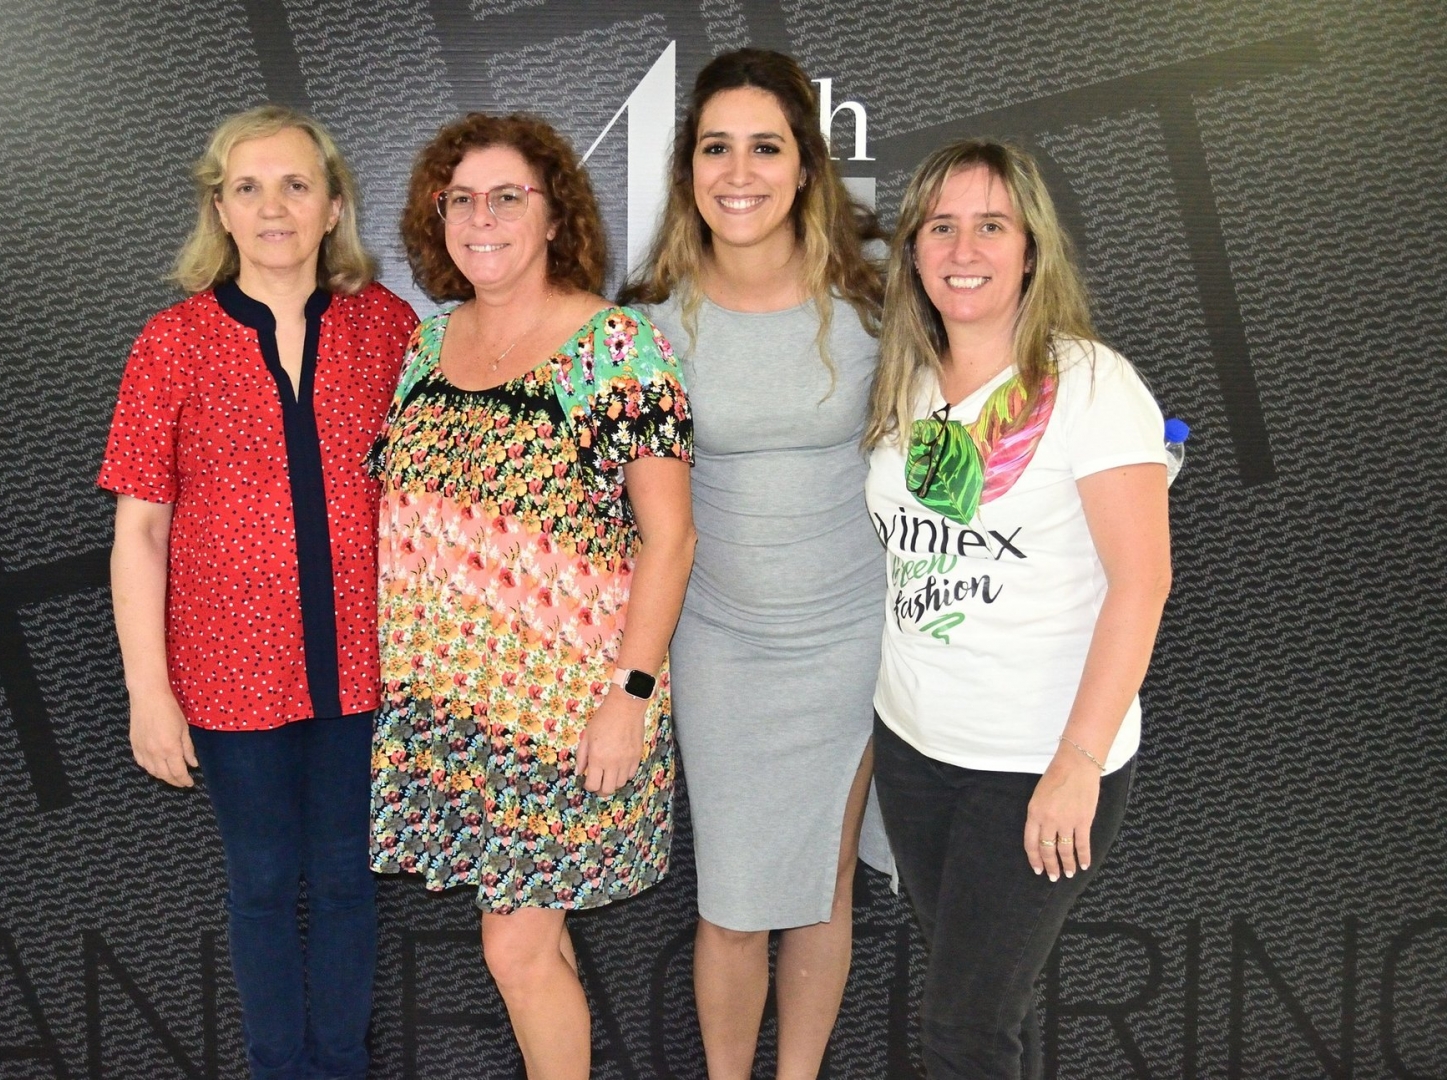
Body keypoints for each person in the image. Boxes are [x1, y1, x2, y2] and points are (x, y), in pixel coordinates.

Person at [368, 112, 695, 1080]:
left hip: (568, 710)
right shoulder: (428, 345)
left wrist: (629, 696)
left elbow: (671, 538)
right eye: (461, 199)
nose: (482, 218)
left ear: (555, 217)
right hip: (454, 707)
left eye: (508, 197)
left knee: (514, 948)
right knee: (530, 946)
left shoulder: (619, 348)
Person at [99, 105, 416, 1080]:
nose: (273, 207)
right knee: (265, 885)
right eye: (248, 187)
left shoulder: (387, 328)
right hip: (229, 675)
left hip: (362, 672)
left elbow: (428, 500)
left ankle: (341, 1067)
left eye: (295, 185)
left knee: (350, 883)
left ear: (332, 208)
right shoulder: (173, 342)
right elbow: (140, 530)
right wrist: (149, 692)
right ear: (220, 210)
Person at [864, 138, 1172, 1078]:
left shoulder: (1090, 383)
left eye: (990, 226)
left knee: (963, 1030)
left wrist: (1077, 762)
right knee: (981, 1006)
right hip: (914, 752)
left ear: (1030, 249)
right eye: (940, 227)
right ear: (912, 250)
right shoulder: (907, 381)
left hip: (1035, 761)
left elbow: (1141, 582)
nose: (963, 249)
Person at [621, 48, 892, 1080]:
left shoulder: (877, 300)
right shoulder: (647, 323)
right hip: (719, 643)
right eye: (715, 148)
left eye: (765, 148)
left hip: (851, 638)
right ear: (687, 168)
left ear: (807, 165)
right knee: (732, 902)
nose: (739, 173)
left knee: (823, 886)